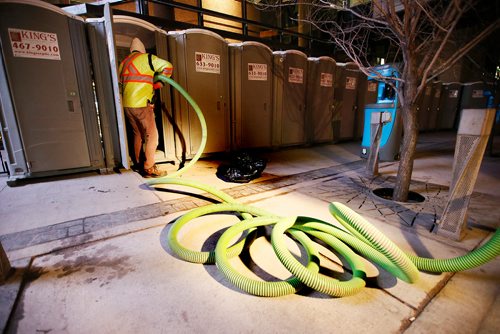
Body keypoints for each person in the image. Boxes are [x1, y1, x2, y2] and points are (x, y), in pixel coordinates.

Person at [118, 37, 173, 177]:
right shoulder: (146, 58)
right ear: (142, 50)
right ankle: (149, 168)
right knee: (152, 136)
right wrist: (159, 83)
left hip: (127, 105)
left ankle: (137, 163)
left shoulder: (123, 63)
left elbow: (120, 82)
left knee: (137, 134)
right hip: (142, 104)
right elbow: (168, 66)